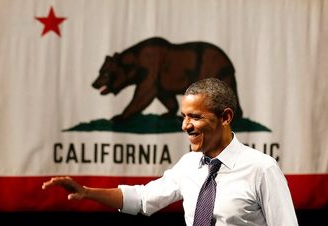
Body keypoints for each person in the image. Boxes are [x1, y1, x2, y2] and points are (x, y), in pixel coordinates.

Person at [42, 78, 298, 226]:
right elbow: (142, 200)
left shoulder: (262, 169)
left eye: (195, 117)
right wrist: (86, 192)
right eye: (184, 116)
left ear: (226, 117)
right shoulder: (188, 165)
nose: (186, 125)